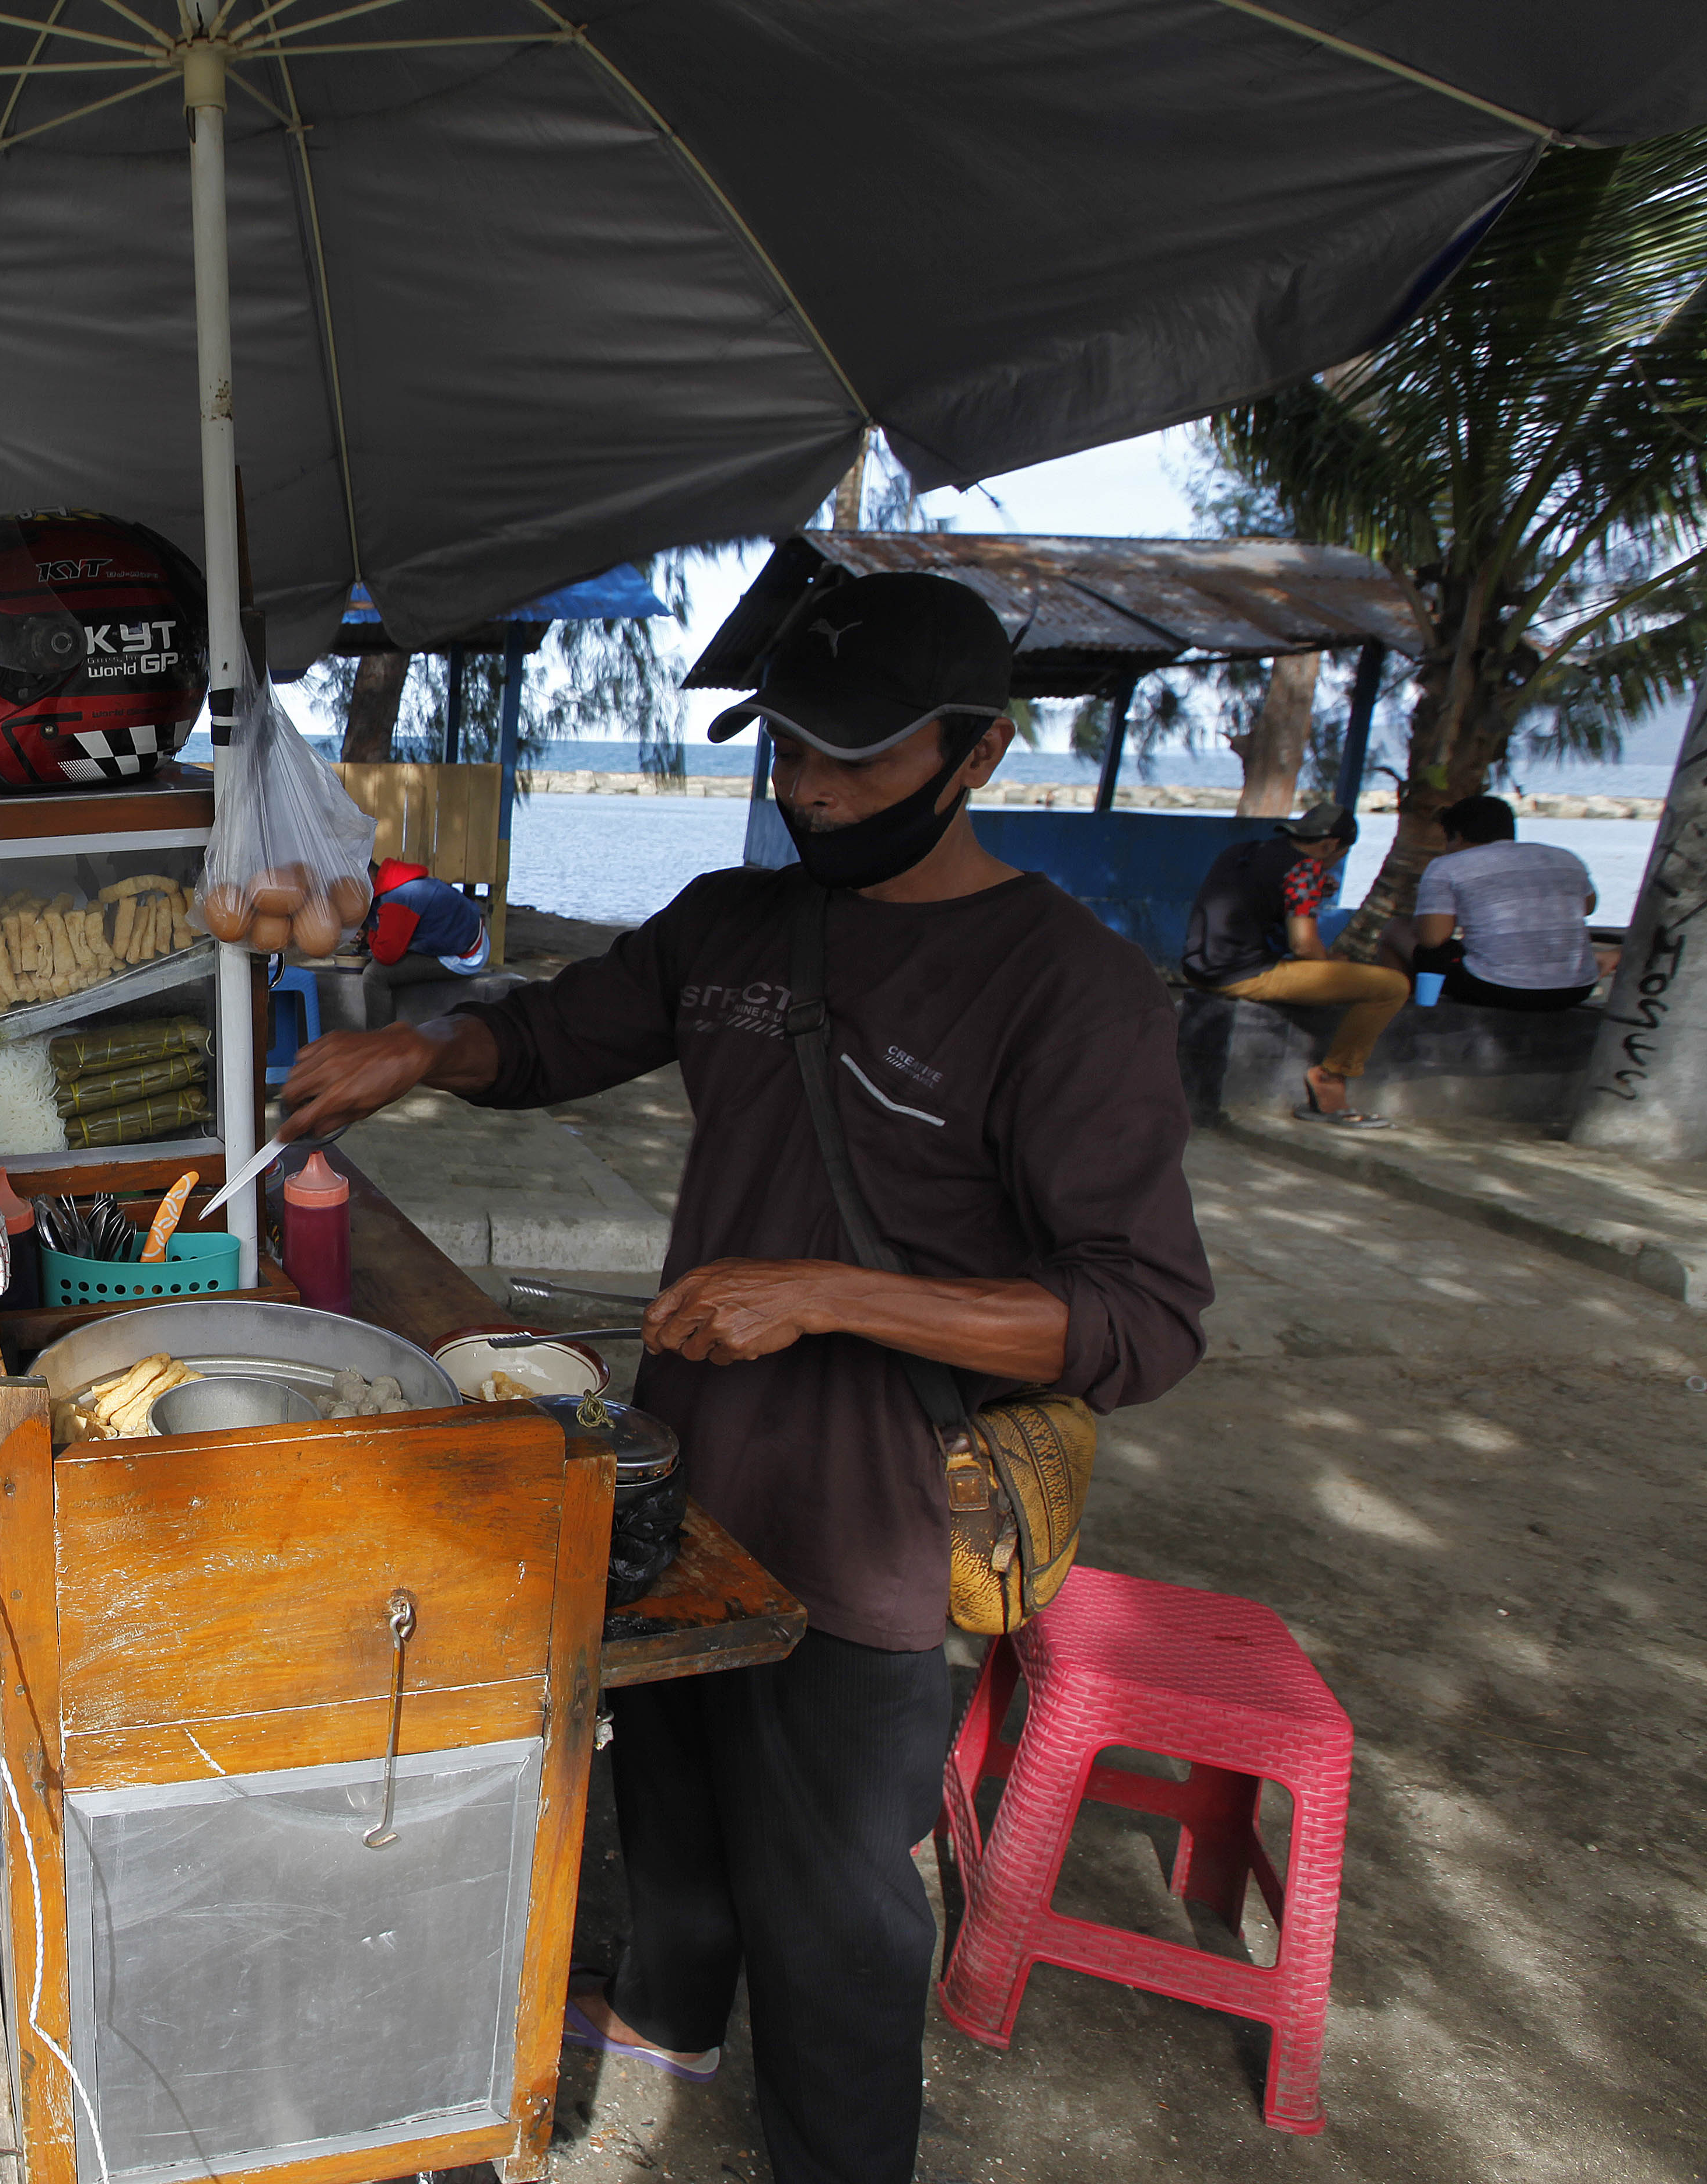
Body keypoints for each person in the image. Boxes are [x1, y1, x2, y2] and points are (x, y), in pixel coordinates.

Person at [272, 570, 1209, 2184]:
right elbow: (556, 1038)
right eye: (787, 748)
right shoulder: (736, 920)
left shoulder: (1072, 990)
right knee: (680, 1777)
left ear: (977, 755)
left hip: (880, 1510)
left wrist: (835, 1293)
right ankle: (667, 2020)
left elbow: (1142, 1319)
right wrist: (424, 1052)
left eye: (858, 757)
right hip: (694, 1458)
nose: (813, 788)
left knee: (835, 1886)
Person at [1182, 802, 1406, 1127]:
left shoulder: (1244, 851)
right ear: (1330, 845)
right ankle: (1330, 1079)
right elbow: (1303, 945)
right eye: (1341, 853)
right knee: (1391, 987)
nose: (1337, 861)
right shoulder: (1305, 869)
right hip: (1242, 976)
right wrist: (1329, 965)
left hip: (1200, 967)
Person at [1415, 794, 1600, 1011]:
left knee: (1403, 936)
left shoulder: (1446, 866)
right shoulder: (1566, 858)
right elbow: (1588, 908)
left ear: (1457, 836)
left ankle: (1400, 1013)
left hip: (1498, 988)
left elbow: (1433, 939)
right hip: (1577, 989)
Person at [365, 858, 490, 983]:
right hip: (468, 938)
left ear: (366, 877)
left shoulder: (397, 899)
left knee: (374, 974)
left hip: (467, 956)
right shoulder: (394, 881)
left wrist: (372, 935)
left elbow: (386, 955)